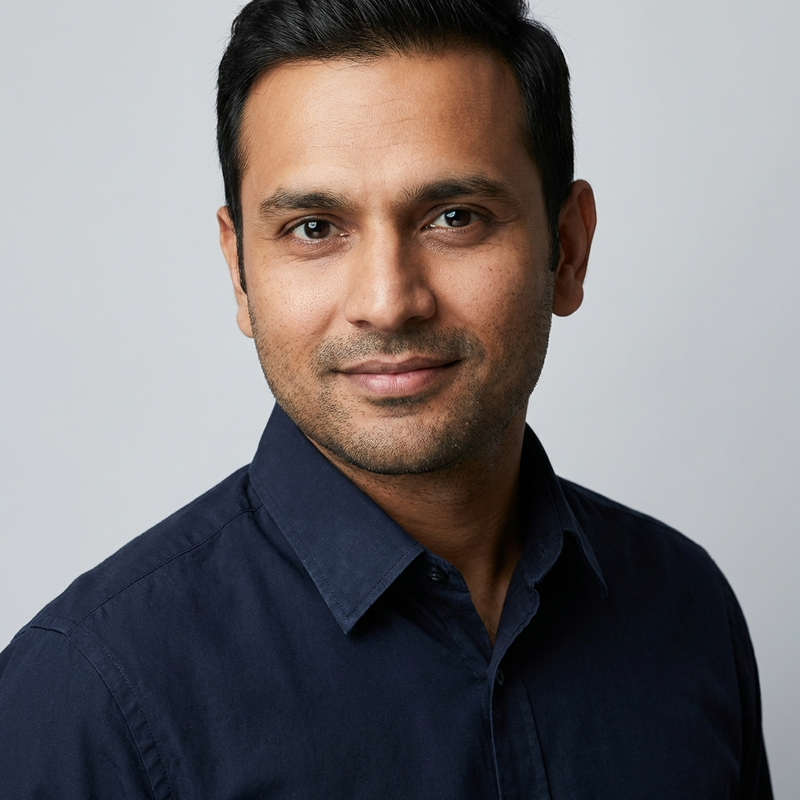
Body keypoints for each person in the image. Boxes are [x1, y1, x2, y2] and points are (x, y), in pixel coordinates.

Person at [0, 0, 772, 797]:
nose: (388, 300)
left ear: (567, 249)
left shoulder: (689, 611)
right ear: (239, 270)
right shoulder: (86, 700)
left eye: (454, 217)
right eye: (313, 228)